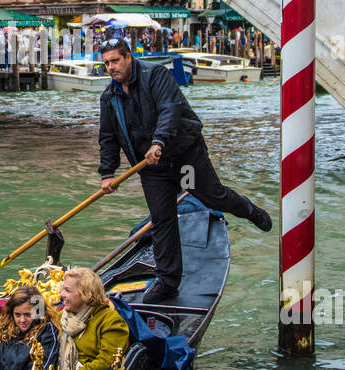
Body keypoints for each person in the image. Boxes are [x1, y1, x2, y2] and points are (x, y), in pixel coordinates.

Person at [97, 38, 273, 301]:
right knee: (161, 219)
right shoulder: (109, 98)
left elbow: (170, 109)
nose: (111, 67)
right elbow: (108, 137)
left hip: (183, 157)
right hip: (151, 169)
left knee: (212, 197)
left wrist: (159, 142)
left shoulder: (155, 75)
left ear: (129, 57)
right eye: (106, 63)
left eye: (115, 60)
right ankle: (167, 281)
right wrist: (107, 174)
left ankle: (250, 210)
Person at [55, 268, 129, 370]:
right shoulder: (60, 317)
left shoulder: (112, 322)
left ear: (86, 294)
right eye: (63, 289)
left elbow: (106, 362)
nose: (61, 294)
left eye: (67, 290)